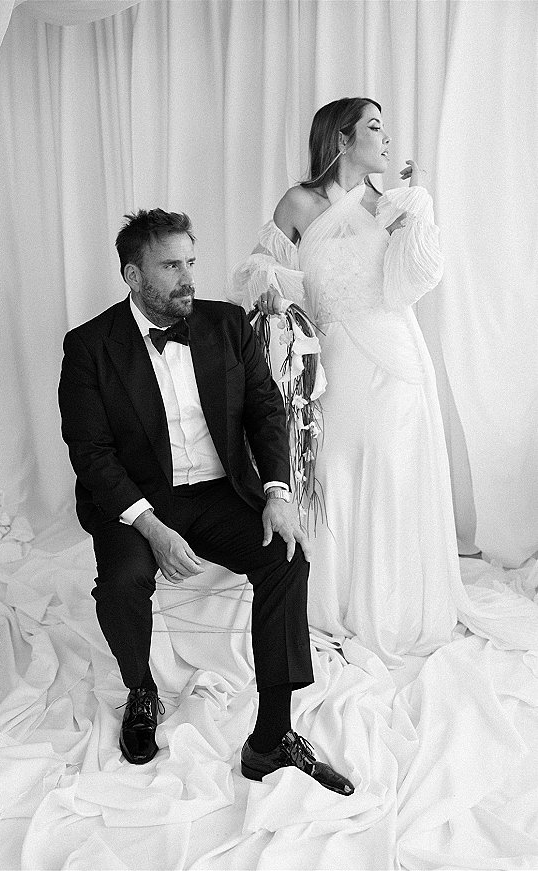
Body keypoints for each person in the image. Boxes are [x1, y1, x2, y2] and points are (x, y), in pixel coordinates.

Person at [58, 208, 353, 794]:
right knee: (121, 582)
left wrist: (277, 492)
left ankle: (272, 737)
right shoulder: (89, 346)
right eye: (170, 266)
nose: (188, 277)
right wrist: (152, 528)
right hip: (137, 501)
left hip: (221, 492)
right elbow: (92, 455)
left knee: (286, 557)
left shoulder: (227, 324)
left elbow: (266, 412)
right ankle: (141, 690)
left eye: (190, 262)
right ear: (133, 276)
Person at [228, 98, 473, 667]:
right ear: (341, 139)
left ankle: (393, 607)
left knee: (392, 468)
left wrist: (418, 207)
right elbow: (258, 269)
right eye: (374, 127)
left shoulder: (389, 204)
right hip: (331, 360)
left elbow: (416, 280)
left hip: (394, 356)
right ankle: (333, 600)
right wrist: (271, 287)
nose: (386, 138)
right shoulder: (300, 202)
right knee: (333, 469)